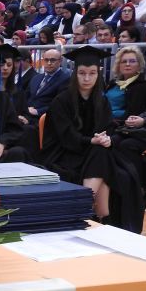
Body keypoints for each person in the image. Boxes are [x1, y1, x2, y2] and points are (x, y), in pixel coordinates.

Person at [40, 46, 116, 218]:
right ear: (75, 74)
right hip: (64, 152)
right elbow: (65, 135)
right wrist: (91, 141)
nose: (87, 78)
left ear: (98, 74)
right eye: (82, 73)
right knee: (101, 156)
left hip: (91, 151)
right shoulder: (62, 100)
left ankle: (88, 204)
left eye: (92, 73)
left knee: (102, 152)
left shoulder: (102, 100)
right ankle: (100, 213)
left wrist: (106, 139)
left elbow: (107, 127)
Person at [104, 46, 146, 124]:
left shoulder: (144, 87)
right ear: (119, 65)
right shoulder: (113, 83)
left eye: (132, 61)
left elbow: (134, 114)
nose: (127, 64)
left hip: (120, 125)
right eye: (124, 61)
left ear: (139, 65)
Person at [27, 48, 72, 117]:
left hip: (46, 117)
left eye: (53, 60)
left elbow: (60, 105)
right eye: (46, 60)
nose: (49, 63)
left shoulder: (65, 79)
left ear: (60, 61)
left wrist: (38, 111)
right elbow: (26, 97)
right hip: (27, 114)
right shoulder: (36, 78)